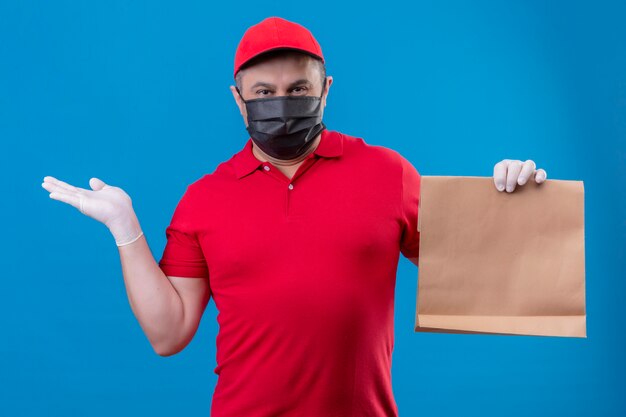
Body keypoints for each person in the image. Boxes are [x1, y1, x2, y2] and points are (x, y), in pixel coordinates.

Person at [41, 16, 548, 417]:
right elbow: (168, 333)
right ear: (238, 101)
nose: (282, 104)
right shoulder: (203, 198)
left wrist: (512, 204)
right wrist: (125, 228)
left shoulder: (388, 173)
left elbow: (479, 278)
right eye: (263, 93)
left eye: (298, 89)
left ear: (325, 88)